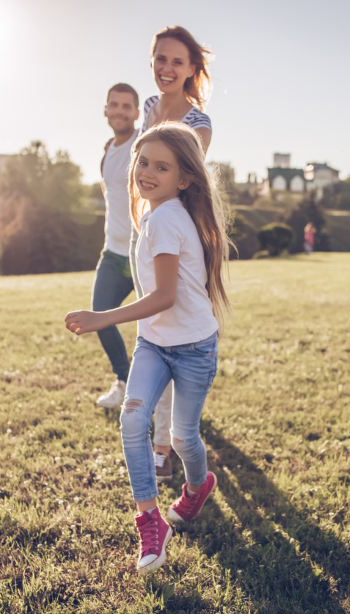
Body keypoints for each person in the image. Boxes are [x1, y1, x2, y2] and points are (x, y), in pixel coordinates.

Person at [65, 122, 232, 574]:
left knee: (182, 438)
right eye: (143, 162)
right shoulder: (156, 212)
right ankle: (150, 519)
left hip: (195, 347)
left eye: (162, 166)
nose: (148, 172)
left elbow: (164, 297)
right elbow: (161, 304)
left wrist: (102, 318)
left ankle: (197, 488)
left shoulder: (164, 218)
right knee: (133, 417)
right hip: (155, 345)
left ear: (184, 179)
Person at [134, 25, 214, 483]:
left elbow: (178, 178)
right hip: (143, 229)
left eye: (177, 62)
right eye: (160, 59)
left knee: (172, 333)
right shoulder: (148, 107)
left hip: (176, 235)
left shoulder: (198, 124)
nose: (166, 68)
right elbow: (142, 166)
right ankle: (166, 437)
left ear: (191, 70)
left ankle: (166, 444)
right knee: (152, 332)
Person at [92, 83, 141, 409]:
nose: (120, 111)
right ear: (106, 110)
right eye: (115, 105)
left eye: (127, 106)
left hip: (143, 253)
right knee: (99, 315)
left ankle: (161, 395)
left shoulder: (144, 143)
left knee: (156, 330)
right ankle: (124, 382)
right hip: (113, 252)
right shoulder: (108, 150)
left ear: (137, 113)